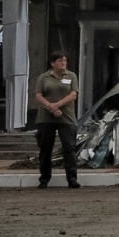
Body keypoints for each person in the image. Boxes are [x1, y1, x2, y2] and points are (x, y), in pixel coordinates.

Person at [32, 50, 80, 188]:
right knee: (45, 148)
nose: (63, 63)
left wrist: (58, 105)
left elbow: (73, 94)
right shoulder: (44, 77)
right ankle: (44, 179)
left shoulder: (71, 76)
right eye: (60, 61)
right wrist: (50, 107)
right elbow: (39, 95)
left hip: (66, 117)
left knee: (69, 148)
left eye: (64, 61)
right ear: (52, 63)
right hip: (46, 118)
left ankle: (72, 179)